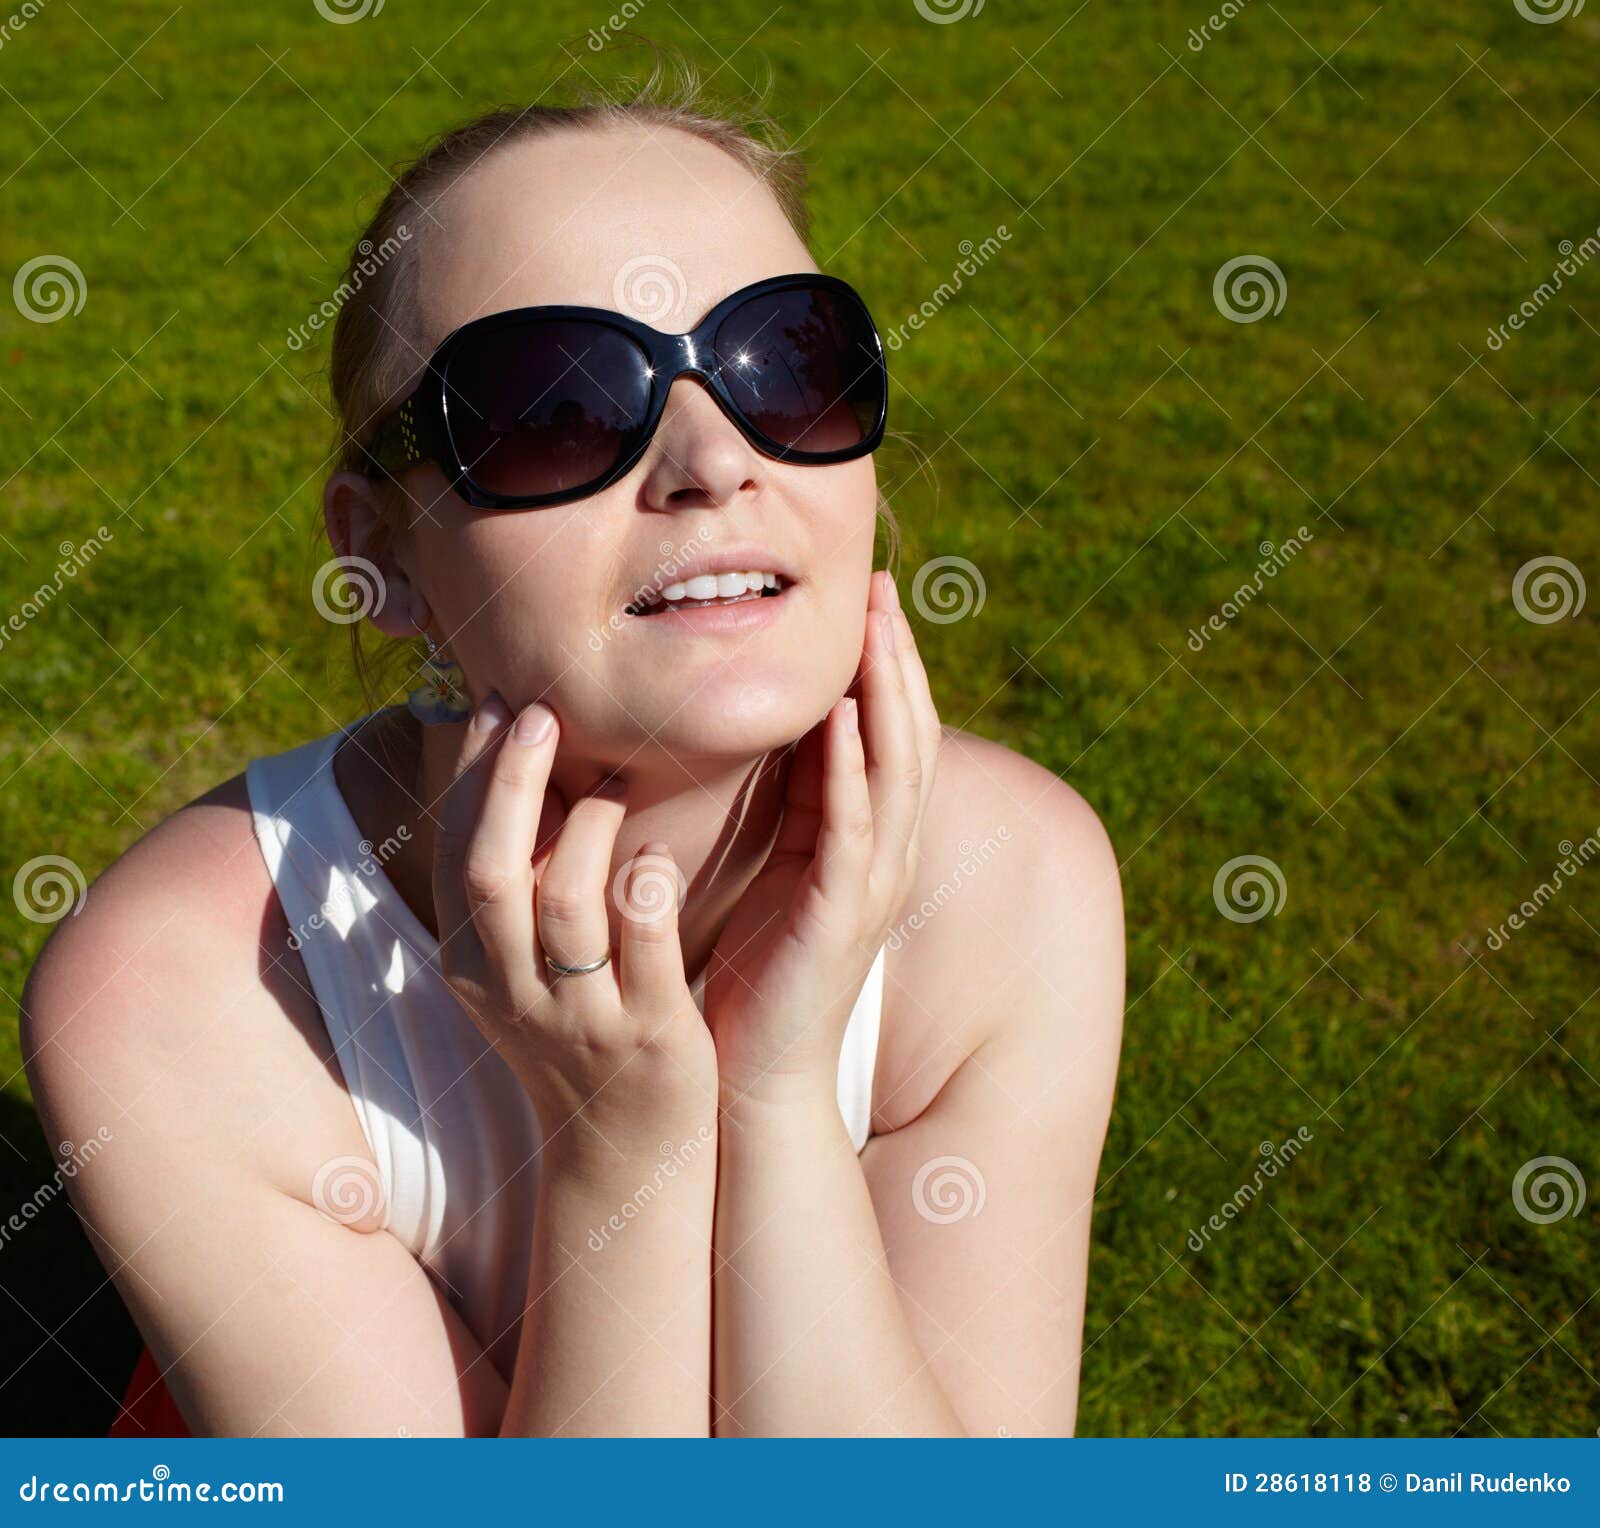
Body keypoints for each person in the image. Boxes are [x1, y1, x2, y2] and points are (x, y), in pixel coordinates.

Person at [21, 62, 1125, 1438]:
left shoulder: (1011, 884)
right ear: (385, 555)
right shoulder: (189, 986)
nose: (714, 459)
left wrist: (773, 1094)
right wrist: (624, 1148)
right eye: (554, 406)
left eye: (786, 360)